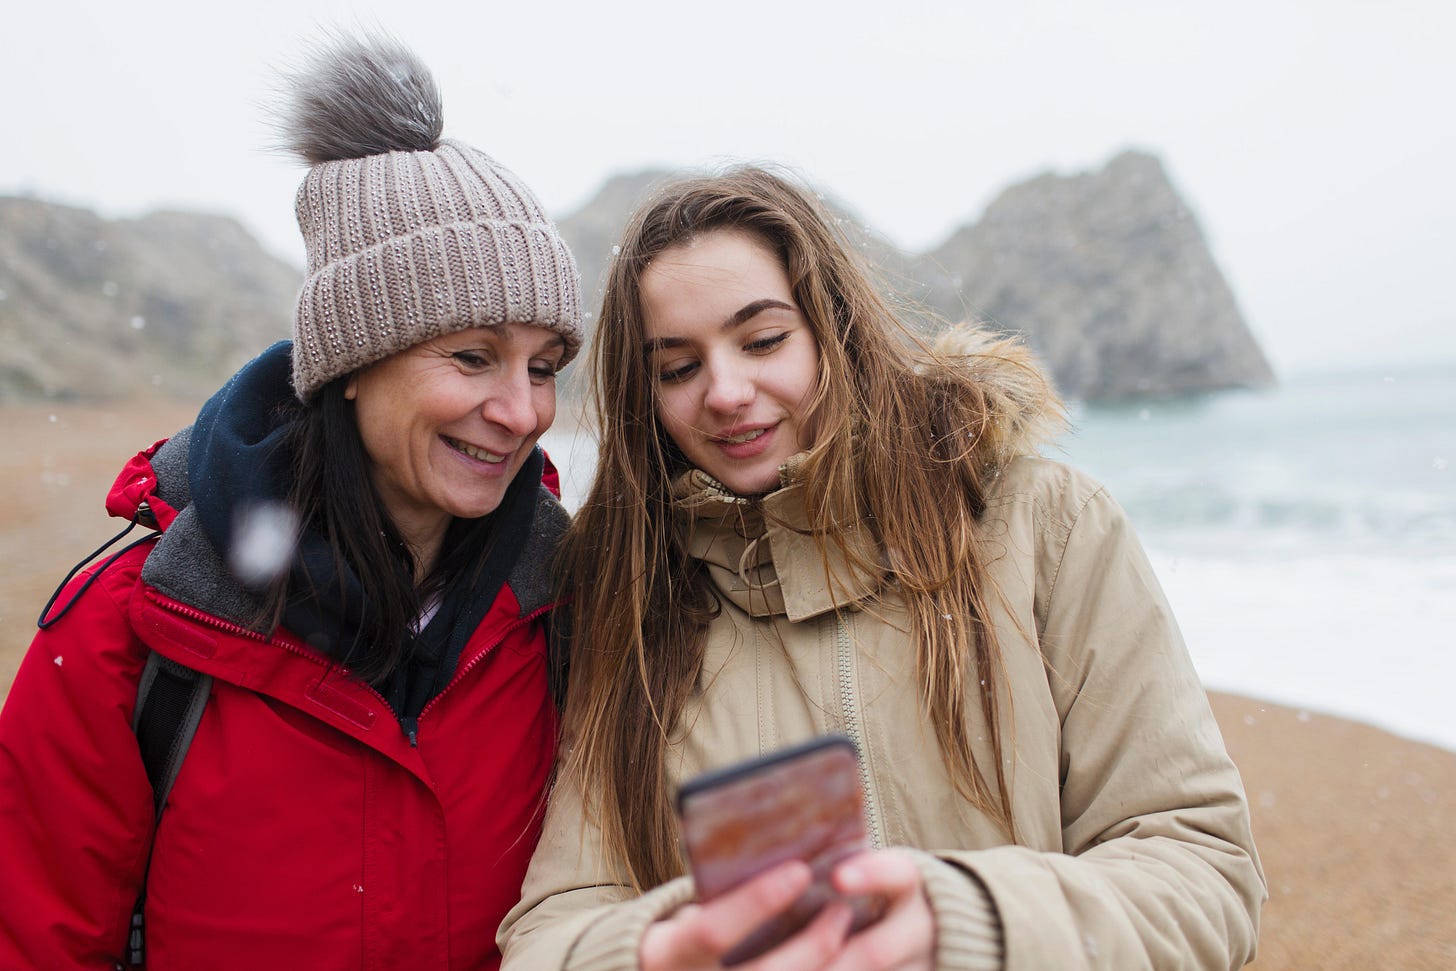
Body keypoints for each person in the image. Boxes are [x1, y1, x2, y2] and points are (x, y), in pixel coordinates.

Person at [497, 166, 1265, 970]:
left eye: (763, 340)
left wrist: (972, 921)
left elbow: (1202, 868)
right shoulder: (629, 604)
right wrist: (662, 947)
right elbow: (553, 929)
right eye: (678, 367)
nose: (725, 391)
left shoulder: (1047, 525)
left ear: (835, 328)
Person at [0, 35, 581, 970]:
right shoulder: (129, 638)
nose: (522, 411)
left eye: (545, 367)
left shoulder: (566, 615)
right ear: (352, 363)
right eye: (473, 356)